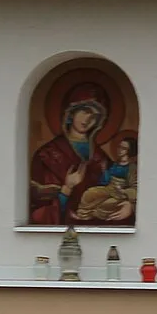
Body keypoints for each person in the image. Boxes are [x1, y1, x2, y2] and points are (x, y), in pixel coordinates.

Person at [29, 83, 115, 224]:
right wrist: (67, 188)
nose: (87, 119)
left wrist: (127, 205)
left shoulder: (101, 157)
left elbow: (117, 191)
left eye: (94, 116)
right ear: (71, 113)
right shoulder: (47, 155)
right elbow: (39, 210)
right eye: (85, 111)